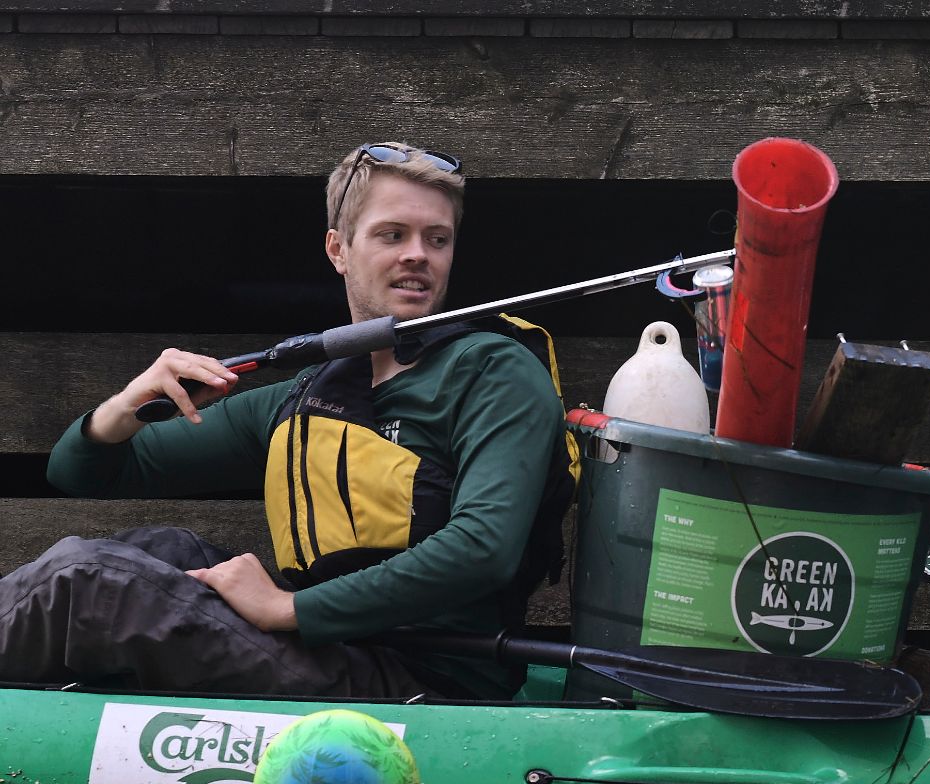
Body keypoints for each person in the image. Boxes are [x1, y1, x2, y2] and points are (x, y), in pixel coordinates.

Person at [0, 142, 567, 699]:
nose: (418, 254)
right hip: (333, 651)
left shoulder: (493, 372)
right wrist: (126, 403)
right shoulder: (302, 397)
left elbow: (483, 549)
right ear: (338, 249)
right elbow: (83, 471)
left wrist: (287, 608)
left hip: (425, 681)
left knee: (92, 585)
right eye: (392, 235)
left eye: (437, 239)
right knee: (163, 549)